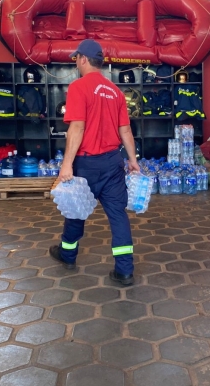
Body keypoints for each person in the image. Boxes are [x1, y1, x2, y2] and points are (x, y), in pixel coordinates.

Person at [49, 39, 140, 286]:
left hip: (86, 164)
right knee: (117, 215)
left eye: (76, 58)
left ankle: (68, 255)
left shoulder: (79, 87)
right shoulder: (116, 92)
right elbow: (126, 131)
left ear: (83, 59)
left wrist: (66, 165)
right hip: (113, 162)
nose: (76, 63)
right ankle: (125, 271)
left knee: (76, 210)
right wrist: (132, 161)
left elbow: (77, 127)